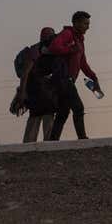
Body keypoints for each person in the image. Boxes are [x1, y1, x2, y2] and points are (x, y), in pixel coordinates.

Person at [46, 11, 102, 141]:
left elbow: (83, 63)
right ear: (75, 23)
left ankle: (52, 141)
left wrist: (94, 77)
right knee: (78, 107)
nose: (88, 27)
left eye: (88, 24)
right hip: (62, 78)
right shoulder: (67, 34)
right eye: (85, 23)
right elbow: (54, 47)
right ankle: (82, 139)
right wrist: (70, 50)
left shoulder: (80, 41)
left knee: (63, 112)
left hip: (68, 80)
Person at [16, 27, 58, 143]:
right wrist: (22, 92)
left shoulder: (42, 49)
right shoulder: (37, 50)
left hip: (38, 90)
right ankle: (48, 145)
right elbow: (25, 73)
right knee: (44, 115)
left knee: (38, 115)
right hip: (40, 90)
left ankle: (30, 146)